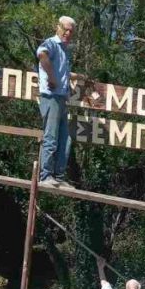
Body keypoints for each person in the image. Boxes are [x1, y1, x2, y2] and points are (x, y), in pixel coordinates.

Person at [36, 16, 85, 189]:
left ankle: (58, 176)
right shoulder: (51, 43)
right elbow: (42, 55)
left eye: (71, 31)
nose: (68, 33)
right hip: (51, 97)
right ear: (58, 27)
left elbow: (64, 71)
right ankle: (46, 176)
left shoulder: (64, 50)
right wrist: (52, 78)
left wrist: (78, 77)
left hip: (62, 99)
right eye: (65, 29)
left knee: (65, 139)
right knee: (51, 137)